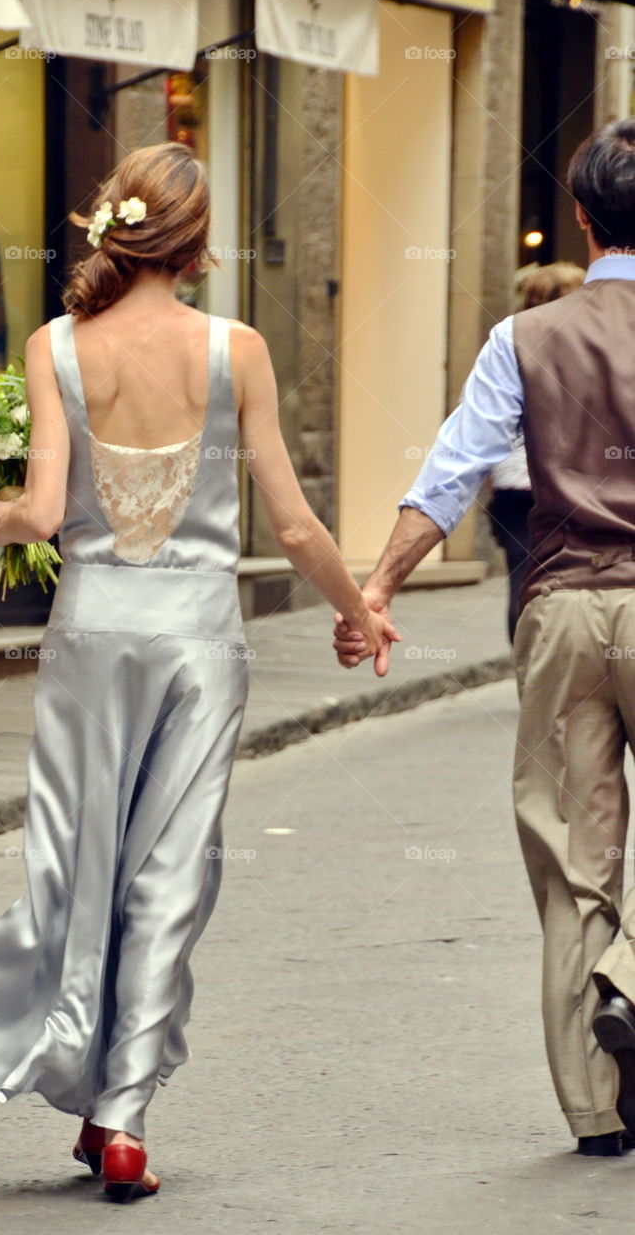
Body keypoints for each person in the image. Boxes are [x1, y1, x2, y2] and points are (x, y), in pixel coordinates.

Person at [0, 142, 397, 1201]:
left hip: (91, 630)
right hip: (200, 636)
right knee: (171, 868)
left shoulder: (57, 347)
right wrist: (359, 612)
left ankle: (77, 1076)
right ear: (197, 241)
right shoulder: (236, 349)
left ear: (113, 226)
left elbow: (39, 505)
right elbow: (293, 525)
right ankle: (119, 1115)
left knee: (79, 861)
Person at [333, 119, 635, 1158]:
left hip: (557, 613)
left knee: (571, 863)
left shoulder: (524, 338)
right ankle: (630, 984)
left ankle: (595, 1109)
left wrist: (374, 585)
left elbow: (451, 471)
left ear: (584, 220)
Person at [486, 261, 585, 641]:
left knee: (524, 581)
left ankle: (533, 679)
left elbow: (481, 426)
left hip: (516, 490)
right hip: (557, 488)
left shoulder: (506, 348)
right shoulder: (583, 354)